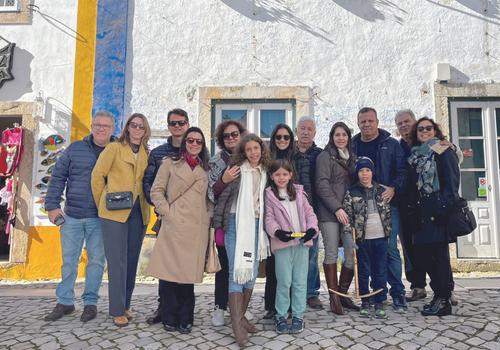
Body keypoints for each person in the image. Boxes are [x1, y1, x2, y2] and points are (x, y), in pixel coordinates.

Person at [44, 111, 115, 322]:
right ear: (92, 126)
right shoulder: (75, 149)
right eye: (97, 124)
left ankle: (90, 303)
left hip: (100, 217)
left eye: (106, 126)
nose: (101, 128)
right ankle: (65, 301)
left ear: (112, 129)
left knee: (96, 262)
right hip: (72, 216)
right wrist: (52, 205)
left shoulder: (117, 150)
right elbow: (58, 177)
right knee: (69, 261)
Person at [146, 127, 211, 333]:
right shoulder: (169, 164)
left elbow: (209, 199)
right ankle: (169, 315)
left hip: (195, 228)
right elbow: (156, 190)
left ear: (202, 146)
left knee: (187, 275)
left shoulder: (206, 170)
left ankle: (186, 316)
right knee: (169, 273)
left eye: (198, 142)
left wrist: (207, 219)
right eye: (190, 140)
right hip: (173, 224)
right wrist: (166, 212)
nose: (194, 144)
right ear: (184, 143)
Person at [395, 110, 460, 306]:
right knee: (417, 250)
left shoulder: (441, 147)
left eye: (407, 121)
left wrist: (444, 207)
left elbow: (451, 178)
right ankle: (421, 287)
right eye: (400, 123)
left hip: (436, 209)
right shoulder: (410, 149)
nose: (404, 125)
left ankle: (445, 293)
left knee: (438, 253)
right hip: (414, 209)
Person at [91, 113, 151, 327]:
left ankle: (125, 304)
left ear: (145, 131)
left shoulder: (145, 152)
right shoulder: (114, 148)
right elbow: (97, 176)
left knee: (132, 261)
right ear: (127, 128)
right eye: (133, 125)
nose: (137, 130)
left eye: (141, 127)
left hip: (139, 213)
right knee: (117, 262)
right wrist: (102, 203)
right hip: (114, 213)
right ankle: (116, 310)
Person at [213, 133, 271, 347]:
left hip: (257, 226)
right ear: (243, 152)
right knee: (237, 272)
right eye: (249, 150)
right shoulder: (237, 170)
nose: (253, 153)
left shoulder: (266, 172)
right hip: (236, 223)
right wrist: (218, 225)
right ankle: (237, 325)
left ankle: (239, 317)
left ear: (261, 150)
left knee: (252, 273)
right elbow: (220, 196)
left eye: (256, 148)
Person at [351, 107, 408, 313]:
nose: (366, 124)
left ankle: (398, 293)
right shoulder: (353, 145)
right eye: (363, 121)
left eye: (370, 121)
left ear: (377, 121)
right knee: (366, 253)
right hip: (362, 208)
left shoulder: (391, 144)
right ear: (358, 124)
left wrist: (394, 188)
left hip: (386, 205)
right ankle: (375, 295)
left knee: (390, 249)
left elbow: (403, 171)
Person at [142, 108, 189, 325]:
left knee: (184, 265)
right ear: (168, 125)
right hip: (165, 219)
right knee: (165, 264)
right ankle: (164, 307)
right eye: (173, 123)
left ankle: (182, 309)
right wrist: (162, 208)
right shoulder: (158, 153)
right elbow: (148, 184)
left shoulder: (196, 151)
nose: (177, 127)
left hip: (189, 220)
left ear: (187, 124)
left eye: (181, 123)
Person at [264, 159, 318, 334]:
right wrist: (277, 231)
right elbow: (269, 218)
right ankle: (280, 315)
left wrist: (312, 229)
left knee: (300, 281)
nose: (281, 178)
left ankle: (298, 315)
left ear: (290, 175)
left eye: (284, 174)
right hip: (283, 245)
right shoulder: (270, 195)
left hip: (302, 243)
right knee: (284, 281)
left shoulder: (299, 193)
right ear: (272, 176)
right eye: (277, 174)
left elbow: (310, 214)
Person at [316, 122, 359, 315]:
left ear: (348, 137)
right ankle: (334, 299)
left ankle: (343, 295)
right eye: (337, 135)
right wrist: (336, 208)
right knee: (332, 252)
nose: (341, 138)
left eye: (344, 135)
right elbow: (322, 185)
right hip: (329, 213)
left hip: (348, 213)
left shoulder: (352, 159)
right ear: (331, 137)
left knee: (351, 252)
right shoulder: (325, 157)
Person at [208, 120, 246, 327]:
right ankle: (220, 307)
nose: (231, 138)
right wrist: (224, 179)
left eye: (234, 134)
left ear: (241, 135)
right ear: (221, 140)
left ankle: (238, 309)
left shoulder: (250, 158)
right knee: (224, 266)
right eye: (226, 136)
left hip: (246, 221)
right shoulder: (216, 162)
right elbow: (210, 193)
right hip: (224, 221)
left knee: (242, 265)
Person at [342, 157, 391, 319]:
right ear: (357, 173)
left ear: (372, 172)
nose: (365, 174)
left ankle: (379, 301)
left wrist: (389, 232)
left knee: (380, 271)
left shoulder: (380, 190)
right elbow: (347, 216)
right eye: (361, 171)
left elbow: (388, 213)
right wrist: (349, 236)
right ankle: (365, 301)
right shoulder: (352, 192)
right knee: (363, 271)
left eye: (368, 170)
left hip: (381, 237)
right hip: (363, 239)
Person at [263, 123, 296, 320]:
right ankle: (271, 305)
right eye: (278, 137)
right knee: (273, 264)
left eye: (286, 137)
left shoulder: (297, 159)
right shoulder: (267, 161)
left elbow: (305, 184)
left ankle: (291, 304)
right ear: (273, 139)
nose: (282, 140)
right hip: (273, 214)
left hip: (294, 214)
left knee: (292, 264)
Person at [294, 116, 323, 310]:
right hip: (291, 210)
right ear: (297, 131)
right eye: (302, 128)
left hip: (314, 210)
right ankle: (292, 292)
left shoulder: (320, 154)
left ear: (315, 132)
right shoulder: (288, 153)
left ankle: (311, 293)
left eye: (309, 129)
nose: (305, 132)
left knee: (312, 254)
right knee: (292, 252)